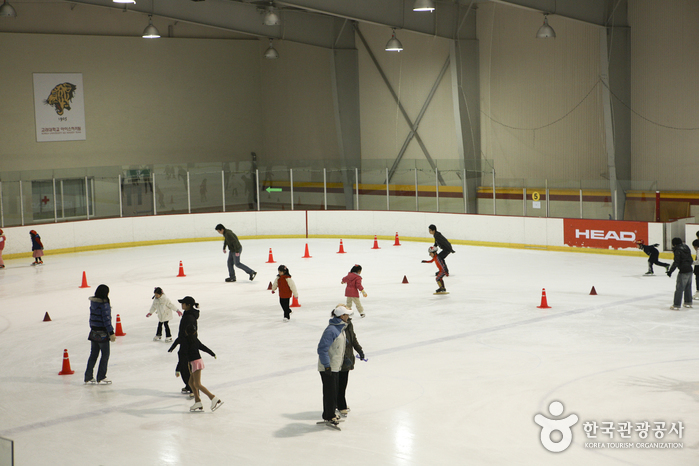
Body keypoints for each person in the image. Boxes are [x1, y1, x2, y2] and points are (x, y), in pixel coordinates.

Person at [169, 324, 223, 412]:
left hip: (196, 363)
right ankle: (198, 402)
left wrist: (178, 369)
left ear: (186, 331)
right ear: (194, 332)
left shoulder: (186, 341)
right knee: (191, 382)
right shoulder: (194, 339)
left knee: (197, 384)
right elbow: (203, 347)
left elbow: (183, 357)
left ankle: (213, 398)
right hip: (197, 362)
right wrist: (212, 353)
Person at [317, 304, 352, 427]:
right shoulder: (331, 330)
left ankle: (330, 413)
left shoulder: (340, 328)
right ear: (341, 316)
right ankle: (329, 415)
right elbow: (322, 349)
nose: (348, 316)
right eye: (347, 314)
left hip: (336, 366)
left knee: (333, 391)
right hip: (328, 367)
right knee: (330, 392)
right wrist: (326, 365)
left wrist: (345, 358)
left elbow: (340, 346)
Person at [84, 284, 116, 385]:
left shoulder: (93, 303)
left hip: (93, 332)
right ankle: (101, 376)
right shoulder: (104, 304)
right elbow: (106, 320)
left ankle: (88, 376)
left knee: (93, 355)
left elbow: (92, 318)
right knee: (105, 355)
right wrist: (111, 332)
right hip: (102, 333)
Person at [337, 315, 365, 417]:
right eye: (345, 314)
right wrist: (343, 357)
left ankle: (338, 403)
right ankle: (341, 405)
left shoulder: (349, 324)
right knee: (340, 383)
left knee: (343, 382)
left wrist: (359, 350)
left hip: (348, 358)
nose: (348, 316)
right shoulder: (336, 326)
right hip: (339, 359)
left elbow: (353, 338)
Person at [173, 296, 200, 396]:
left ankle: (193, 388)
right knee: (185, 366)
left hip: (188, 344)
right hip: (185, 342)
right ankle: (190, 386)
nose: (181, 305)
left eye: (183, 303)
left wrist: (183, 342)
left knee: (186, 367)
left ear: (188, 305)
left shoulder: (189, 317)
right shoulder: (187, 314)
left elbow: (189, 332)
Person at [667, 237, 693, 310]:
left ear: (674, 244)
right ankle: (688, 302)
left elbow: (676, 262)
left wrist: (670, 271)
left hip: (683, 271)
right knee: (688, 287)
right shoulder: (686, 247)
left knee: (679, 288)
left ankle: (676, 305)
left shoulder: (677, 250)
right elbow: (690, 259)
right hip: (690, 269)